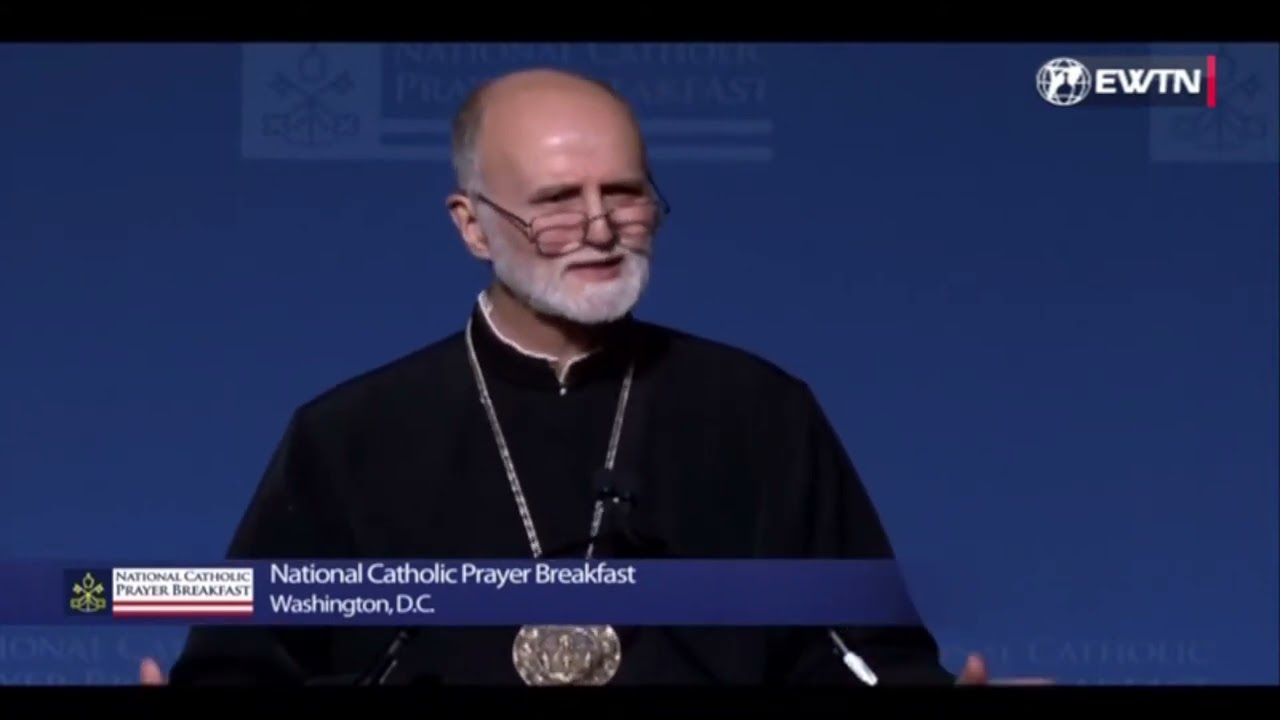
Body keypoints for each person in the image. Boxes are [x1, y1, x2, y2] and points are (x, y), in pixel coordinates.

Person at [139, 68, 1037, 686]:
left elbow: (861, 652)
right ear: (472, 225)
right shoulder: (349, 435)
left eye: (626, 193)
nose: (602, 228)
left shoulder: (760, 412)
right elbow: (245, 664)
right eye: (558, 203)